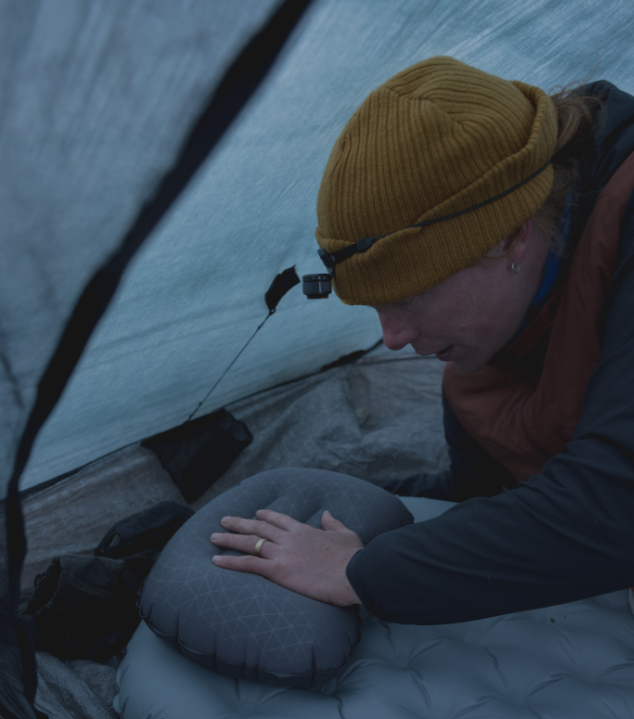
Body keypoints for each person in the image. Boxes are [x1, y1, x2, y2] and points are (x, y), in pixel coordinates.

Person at [209, 56, 634, 624]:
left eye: (410, 297)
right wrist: (324, 519)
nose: (392, 338)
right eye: (379, 307)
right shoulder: (493, 348)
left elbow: (615, 503)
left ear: (510, 235)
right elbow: (479, 498)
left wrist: (359, 573)